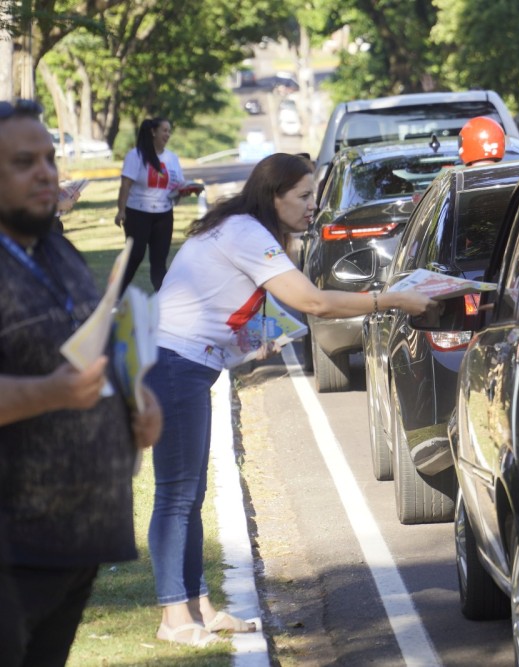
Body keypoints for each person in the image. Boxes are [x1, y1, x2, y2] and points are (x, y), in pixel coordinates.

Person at [146, 152, 437, 647]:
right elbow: (314, 301)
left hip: (184, 363)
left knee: (188, 497)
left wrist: (249, 344)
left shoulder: (244, 227)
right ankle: (174, 617)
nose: (312, 206)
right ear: (272, 195)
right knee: (176, 496)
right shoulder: (245, 232)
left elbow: (224, 304)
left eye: (314, 195)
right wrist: (391, 300)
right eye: (303, 196)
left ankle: (198, 606)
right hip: (174, 364)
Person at [0, 98, 162, 666]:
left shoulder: (55, 250)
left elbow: (98, 344)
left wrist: (138, 405)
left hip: (79, 541)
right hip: (14, 549)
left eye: (49, 157)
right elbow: (53, 381)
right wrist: (51, 392)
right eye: (24, 162)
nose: (47, 172)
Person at [114, 117, 198, 292]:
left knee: (159, 261)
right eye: (164, 130)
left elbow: (178, 185)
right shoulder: (136, 155)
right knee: (134, 256)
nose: (168, 134)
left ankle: (163, 301)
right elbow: (126, 185)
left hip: (164, 214)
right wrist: (121, 210)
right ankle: (114, 296)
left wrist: (189, 189)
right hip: (138, 213)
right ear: (153, 132)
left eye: (169, 131)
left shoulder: (172, 158)